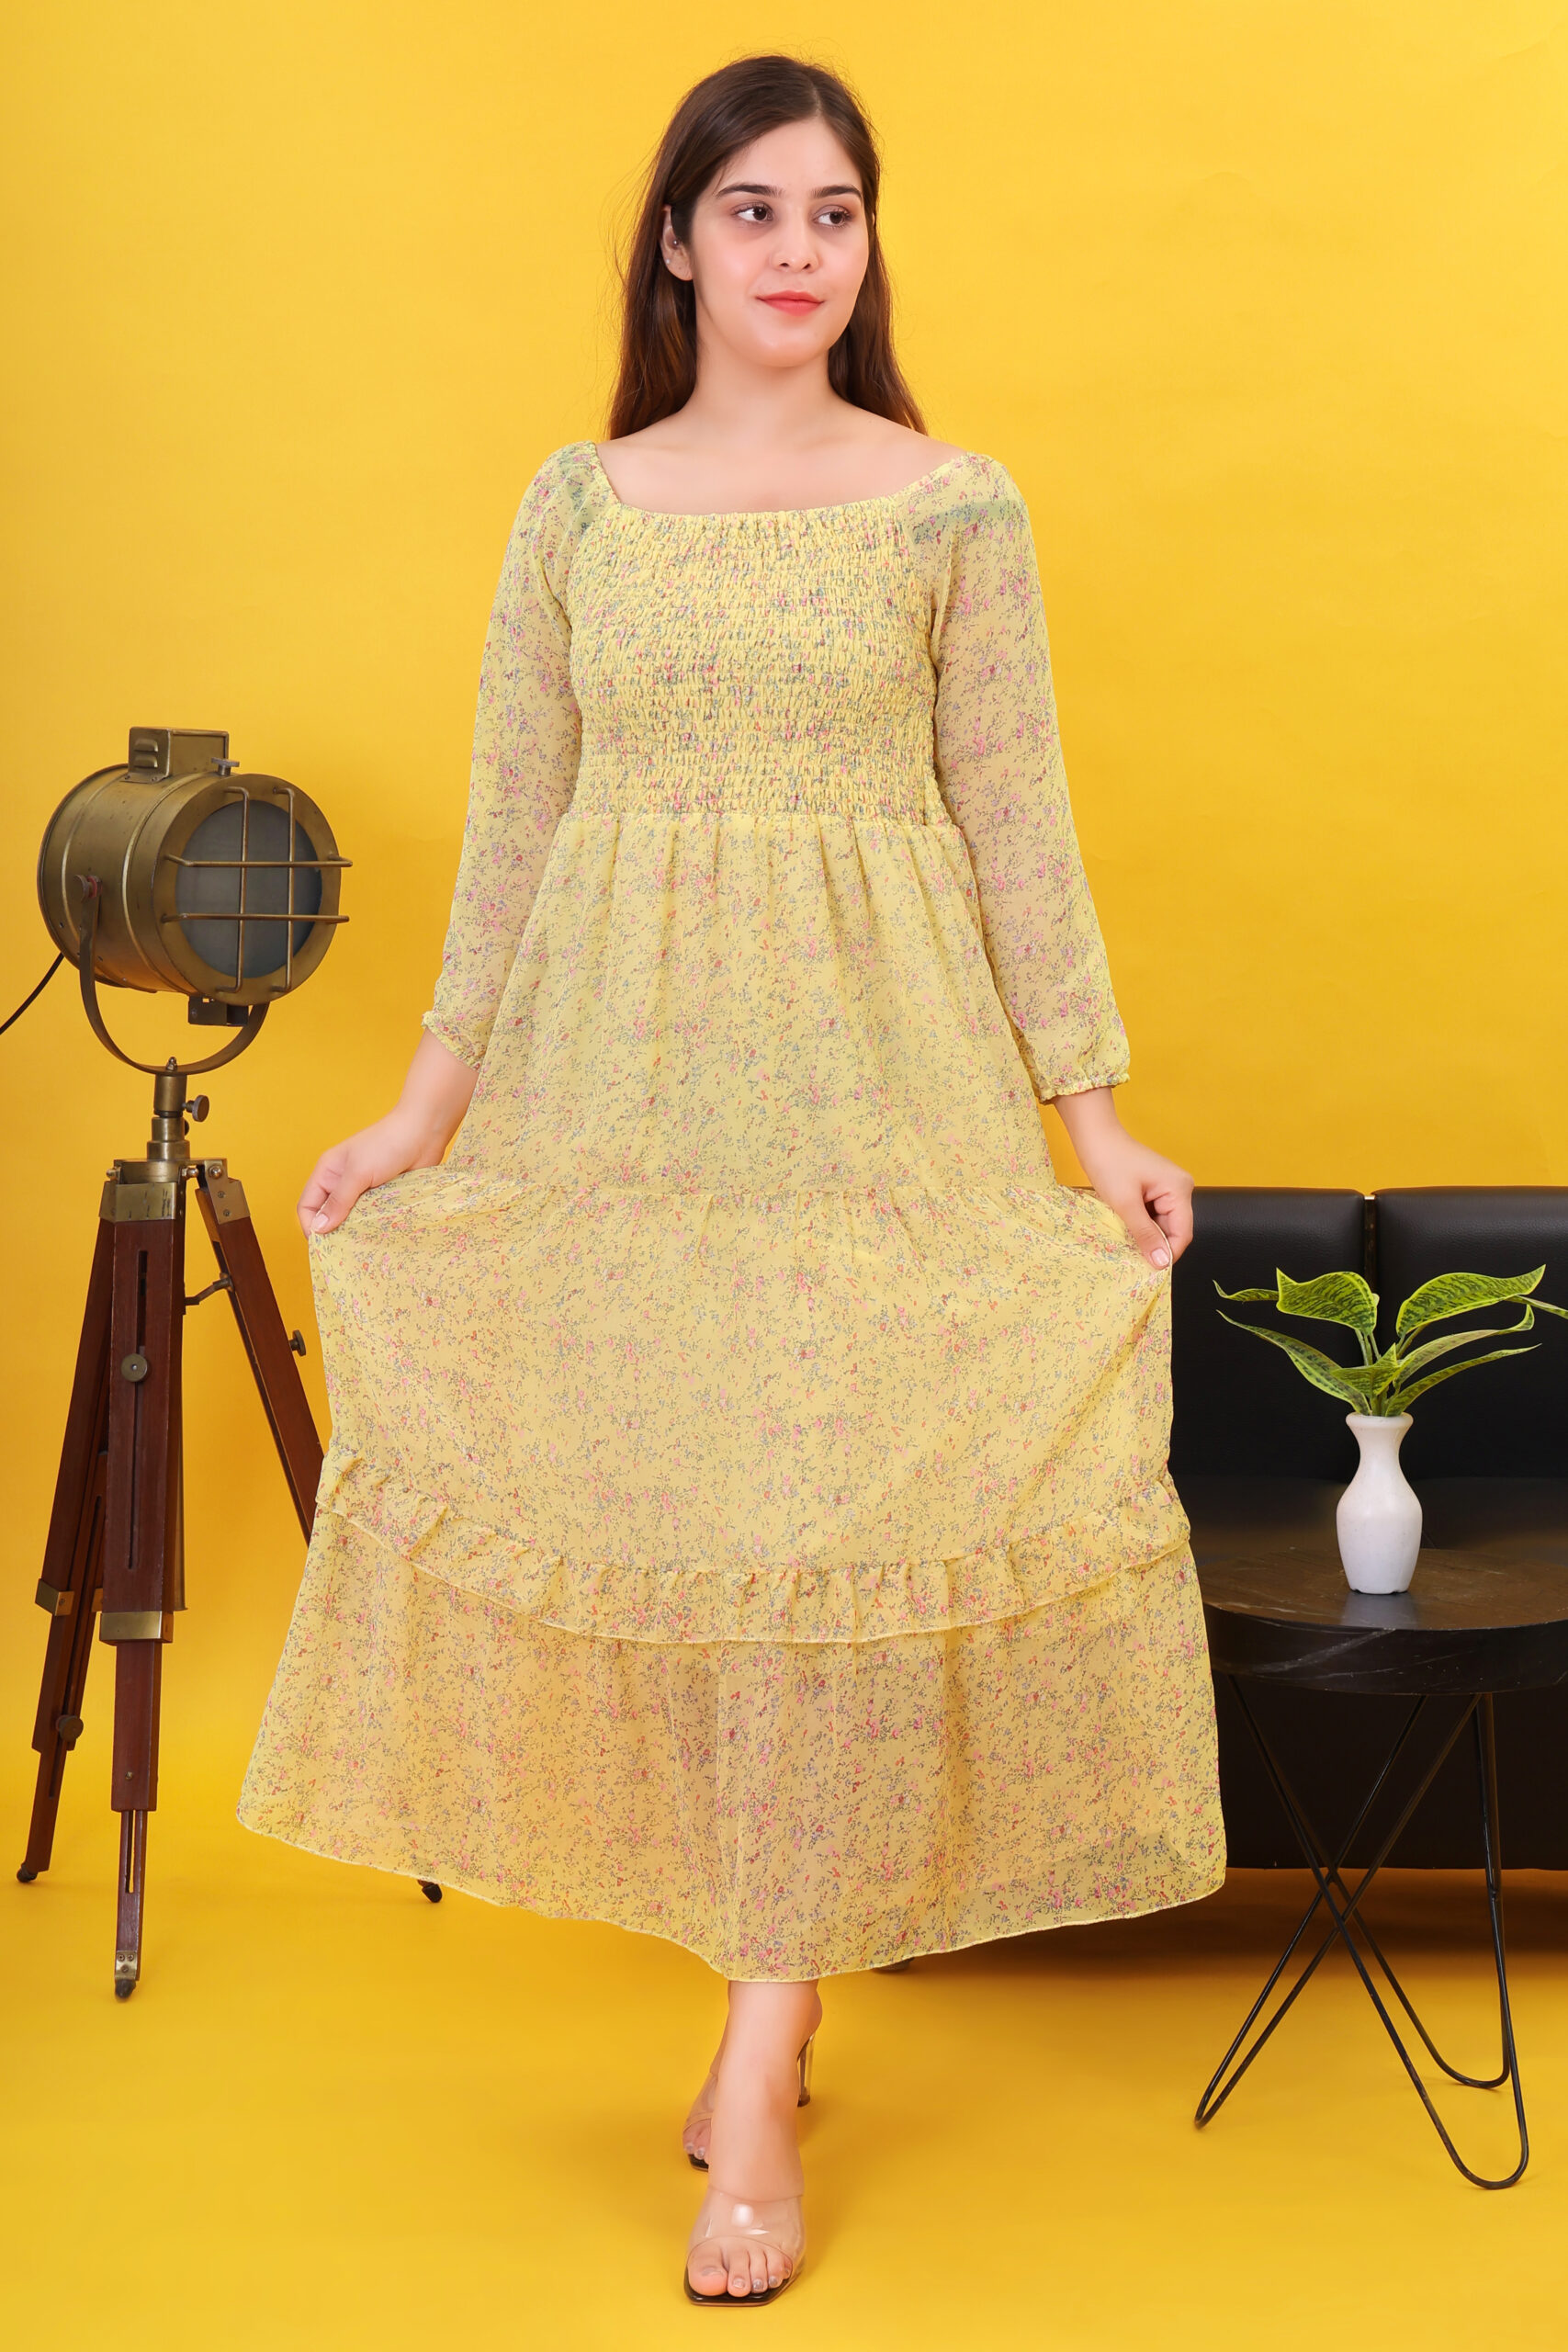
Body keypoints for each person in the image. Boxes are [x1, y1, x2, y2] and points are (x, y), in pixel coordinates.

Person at [240, 52, 1224, 2307]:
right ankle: (766, 1994)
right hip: (624, 1100)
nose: (798, 249)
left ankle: (762, 2057)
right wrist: (422, 1113)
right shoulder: (576, 506)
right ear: (676, 242)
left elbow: (1014, 821)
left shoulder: (949, 505)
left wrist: (1087, 1119)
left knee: (829, 1531)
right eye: (755, 208)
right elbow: (511, 827)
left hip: (883, 1098)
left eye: (834, 211)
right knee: (695, 1527)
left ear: (870, 247)